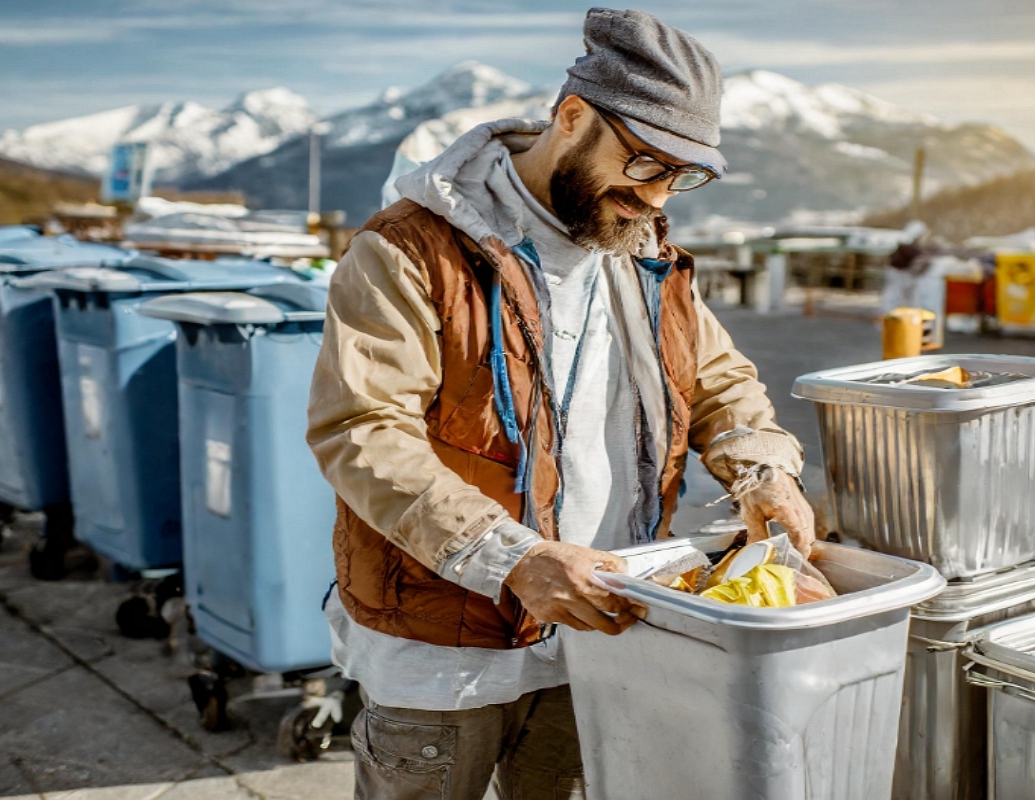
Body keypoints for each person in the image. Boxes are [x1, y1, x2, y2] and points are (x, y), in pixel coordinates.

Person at [306, 8, 815, 799]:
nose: (656, 198)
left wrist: (762, 473)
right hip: (445, 652)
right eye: (646, 164)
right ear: (572, 117)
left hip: (602, 633)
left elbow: (721, 382)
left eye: (682, 177)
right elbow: (362, 433)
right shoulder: (409, 250)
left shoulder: (639, 253)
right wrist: (519, 561)